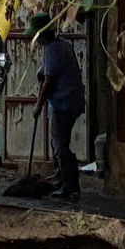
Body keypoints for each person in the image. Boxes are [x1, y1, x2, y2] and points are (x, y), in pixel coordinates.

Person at [29, 14, 87, 201]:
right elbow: (47, 72)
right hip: (70, 101)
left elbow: (49, 82)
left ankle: (70, 186)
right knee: (58, 144)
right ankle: (61, 181)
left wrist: (38, 105)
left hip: (64, 103)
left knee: (60, 146)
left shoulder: (53, 50)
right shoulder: (62, 45)